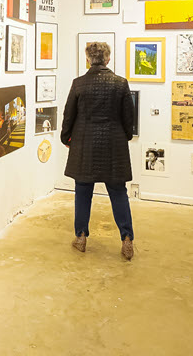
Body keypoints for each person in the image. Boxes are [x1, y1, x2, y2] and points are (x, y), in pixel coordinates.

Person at [60, 42, 136, 260]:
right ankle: (126, 238)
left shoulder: (79, 83)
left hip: (85, 144)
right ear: (108, 59)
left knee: (83, 192)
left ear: (87, 59)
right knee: (118, 193)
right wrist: (125, 137)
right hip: (114, 145)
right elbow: (128, 118)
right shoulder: (120, 83)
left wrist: (66, 138)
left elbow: (68, 115)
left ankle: (81, 237)